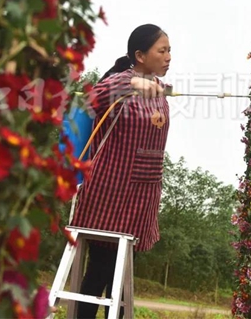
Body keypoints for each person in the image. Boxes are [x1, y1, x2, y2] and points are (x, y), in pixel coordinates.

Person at [71, 23, 172, 319]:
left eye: (170, 51)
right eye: (162, 50)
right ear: (140, 55)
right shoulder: (120, 83)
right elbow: (92, 98)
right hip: (110, 194)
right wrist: (131, 83)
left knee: (120, 279)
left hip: (141, 195)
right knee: (100, 271)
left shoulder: (159, 90)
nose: (168, 57)